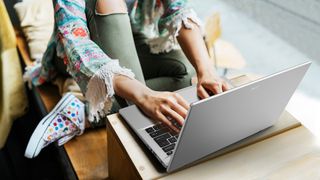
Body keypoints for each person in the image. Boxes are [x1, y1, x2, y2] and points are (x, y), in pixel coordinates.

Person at [24, 0, 229, 158]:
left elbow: (179, 8)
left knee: (186, 72)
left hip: (132, 38)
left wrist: (207, 70)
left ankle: (82, 112)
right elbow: (73, 42)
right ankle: (94, 111)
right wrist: (144, 96)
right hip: (77, 57)